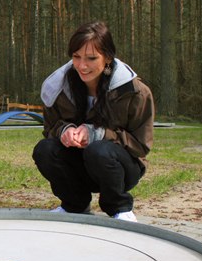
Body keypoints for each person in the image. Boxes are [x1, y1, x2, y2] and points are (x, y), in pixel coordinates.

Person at [32, 21, 154, 222]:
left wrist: (98, 134)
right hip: (79, 166)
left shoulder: (135, 92)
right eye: (76, 57)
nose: (81, 65)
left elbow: (141, 145)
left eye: (91, 58)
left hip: (120, 168)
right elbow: (50, 129)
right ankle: (74, 205)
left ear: (107, 57)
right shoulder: (58, 88)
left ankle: (120, 209)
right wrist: (65, 131)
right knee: (44, 149)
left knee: (98, 150)